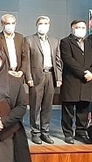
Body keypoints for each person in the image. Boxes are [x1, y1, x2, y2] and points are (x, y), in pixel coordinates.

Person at [22, 16, 62, 144]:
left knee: (47, 106)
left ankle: (45, 132)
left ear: (49, 26)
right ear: (36, 25)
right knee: (35, 106)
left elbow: (58, 61)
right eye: (41, 23)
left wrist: (59, 77)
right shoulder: (29, 40)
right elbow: (27, 61)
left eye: (45, 23)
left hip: (50, 75)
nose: (43, 26)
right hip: (36, 77)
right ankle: (35, 132)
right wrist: (28, 78)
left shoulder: (54, 41)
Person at [59, 20, 92, 144]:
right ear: (72, 28)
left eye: (83, 27)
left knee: (84, 110)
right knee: (68, 110)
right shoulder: (65, 42)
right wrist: (83, 72)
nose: (81, 29)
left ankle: (81, 133)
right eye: (78, 27)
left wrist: (91, 73)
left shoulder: (90, 43)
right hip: (72, 80)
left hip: (87, 81)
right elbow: (68, 60)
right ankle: (68, 134)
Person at [0, 14, 25, 79]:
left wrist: (21, 71)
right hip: (3, 76)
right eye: (8, 23)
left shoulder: (20, 37)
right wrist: (6, 71)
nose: (11, 25)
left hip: (18, 75)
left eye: (13, 23)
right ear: (2, 25)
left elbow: (25, 56)